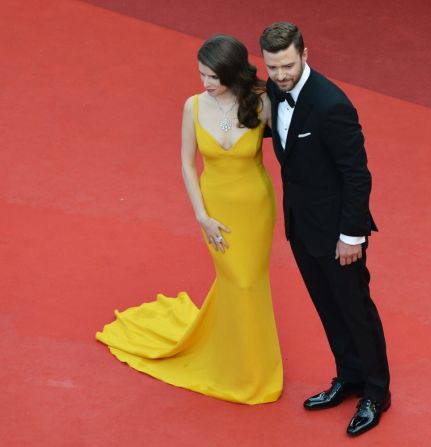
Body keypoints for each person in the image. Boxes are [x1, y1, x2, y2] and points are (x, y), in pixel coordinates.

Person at [95, 35, 282, 405]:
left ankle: (254, 372)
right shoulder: (193, 107)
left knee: (249, 282)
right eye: (202, 75)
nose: (206, 83)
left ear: (232, 72)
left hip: (255, 207)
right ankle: (237, 364)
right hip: (215, 210)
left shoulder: (260, 103)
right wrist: (202, 217)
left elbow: (291, 149)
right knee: (234, 280)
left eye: (213, 76)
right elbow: (185, 164)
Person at [260, 22, 391, 435]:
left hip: (339, 235)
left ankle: (376, 392)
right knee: (328, 308)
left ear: (304, 54)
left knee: (355, 310)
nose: (280, 75)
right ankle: (349, 377)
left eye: (287, 66)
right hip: (301, 227)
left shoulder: (332, 104)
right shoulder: (272, 92)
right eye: (273, 67)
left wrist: (351, 236)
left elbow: (356, 174)